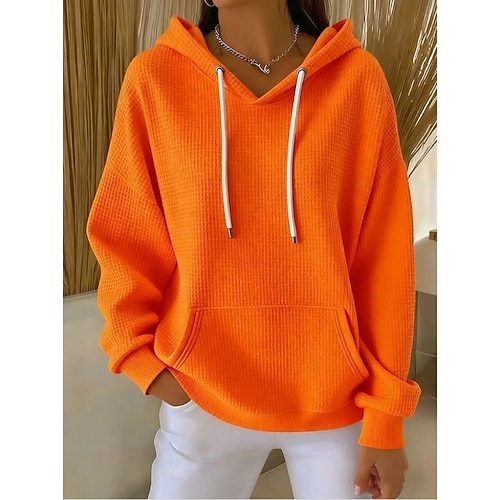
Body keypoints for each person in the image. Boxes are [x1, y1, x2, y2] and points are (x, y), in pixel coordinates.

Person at [86, 0, 422, 498]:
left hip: (338, 402)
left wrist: (387, 416)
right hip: (201, 397)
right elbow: (126, 236)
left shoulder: (356, 80)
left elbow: (384, 260)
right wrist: (142, 361)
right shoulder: (156, 79)